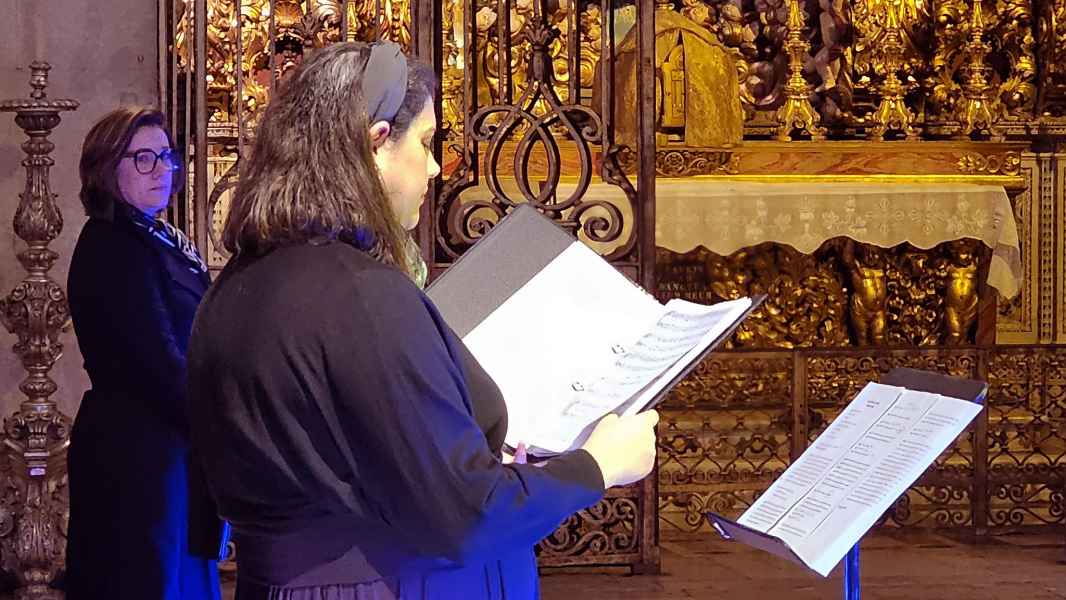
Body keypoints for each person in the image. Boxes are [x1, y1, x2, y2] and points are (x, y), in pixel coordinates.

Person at [186, 40, 659, 600]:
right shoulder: (362, 295)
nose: (435, 168)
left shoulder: (238, 283)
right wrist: (597, 466)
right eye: (427, 142)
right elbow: (466, 514)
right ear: (376, 143)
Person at [65, 107, 225, 600]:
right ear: (106, 168)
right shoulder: (112, 247)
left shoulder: (158, 238)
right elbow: (156, 361)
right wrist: (225, 424)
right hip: (139, 457)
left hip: (173, 451)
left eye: (166, 156)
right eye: (143, 158)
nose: (161, 169)